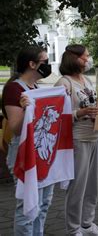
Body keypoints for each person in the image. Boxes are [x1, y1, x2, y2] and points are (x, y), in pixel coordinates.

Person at [55, 44, 98, 235]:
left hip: (97, 136)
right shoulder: (64, 83)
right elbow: (56, 116)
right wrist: (80, 113)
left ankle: (87, 223)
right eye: (85, 56)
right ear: (74, 58)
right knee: (77, 186)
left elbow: (94, 105)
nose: (88, 60)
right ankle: (73, 228)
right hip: (78, 140)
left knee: (92, 185)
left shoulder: (86, 79)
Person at [2, 46, 54, 235]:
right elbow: (16, 128)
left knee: (43, 203)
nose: (47, 66)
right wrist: (26, 109)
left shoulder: (35, 88)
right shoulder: (13, 89)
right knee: (28, 206)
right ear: (32, 64)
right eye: (44, 62)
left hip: (39, 151)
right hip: (23, 154)